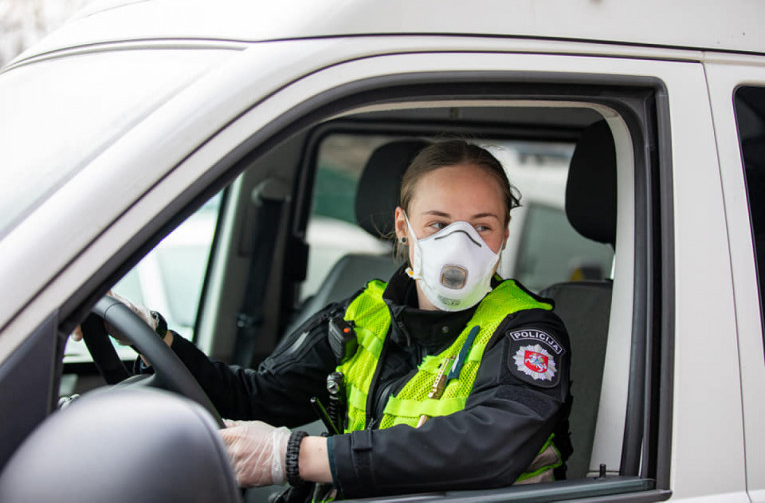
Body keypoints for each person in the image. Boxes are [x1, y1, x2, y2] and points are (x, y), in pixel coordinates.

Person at [78, 140, 572, 499]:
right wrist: (157, 335)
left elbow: (489, 446)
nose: (458, 245)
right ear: (404, 227)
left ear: (504, 235)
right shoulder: (362, 316)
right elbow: (258, 396)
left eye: (481, 226)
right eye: (438, 225)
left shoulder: (526, 332)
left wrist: (296, 456)